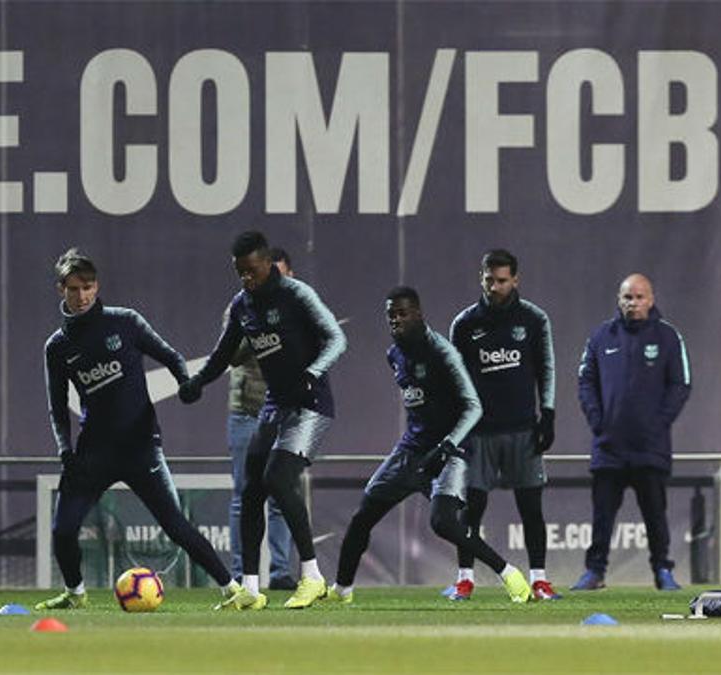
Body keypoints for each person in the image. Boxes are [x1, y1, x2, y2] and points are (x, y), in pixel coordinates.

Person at [37, 249, 241, 611]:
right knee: (63, 530)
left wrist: (185, 383)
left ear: (97, 286)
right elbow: (56, 405)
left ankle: (233, 590)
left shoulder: (125, 322)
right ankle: (75, 594)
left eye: (87, 287)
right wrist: (64, 449)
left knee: (176, 526)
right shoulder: (57, 346)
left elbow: (172, 356)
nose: (81, 295)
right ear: (60, 290)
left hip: (140, 446)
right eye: (73, 288)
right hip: (93, 452)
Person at [329, 287, 531, 605]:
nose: (395, 320)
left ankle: (510, 574)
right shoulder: (393, 355)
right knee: (362, 516)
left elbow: (474, 407)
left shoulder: (443, 353)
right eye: (390, 315)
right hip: (411, 451)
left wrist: (448, 446)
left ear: (419, 314)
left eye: (402, 313)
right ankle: (341, 591)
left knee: (443, 522)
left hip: (448, 452)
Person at [180, 231, 347, 610]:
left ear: (268, 264)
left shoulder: (297, 294)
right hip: (275, 404)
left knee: (278, 477)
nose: (246, 279)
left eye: (252, 271)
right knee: (252, 487)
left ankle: (312, 576)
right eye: (240, 273)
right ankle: (251, 590)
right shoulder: (242, 305)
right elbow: (223, 354)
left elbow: (337, 338)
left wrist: (312, 372)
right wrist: (198, 383)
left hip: (311, 403)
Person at [443, 249, 560, 601]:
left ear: (515, 280)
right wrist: (458, 428)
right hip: (480, 432)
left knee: (531, 507)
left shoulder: (534, 319)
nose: (495, 287)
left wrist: (548, 415)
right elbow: (454, 380)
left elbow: (547, 369)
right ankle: (465, 580)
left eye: (502, 280)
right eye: (489, 279)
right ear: (481, 277)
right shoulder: (464, 324)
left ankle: (539, 580)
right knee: (470, 508)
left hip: (522, 429)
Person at [572, 273, 691, 591]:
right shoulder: (601, 337)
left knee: (655, 515)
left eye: (639, 297)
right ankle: (594, 572)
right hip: (608, 446)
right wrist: (598, 420)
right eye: (627, 297)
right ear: (618, 300)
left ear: (651, 299)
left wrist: (657, 423)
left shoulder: (668, 337)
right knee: (602, 518)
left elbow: (681, 385)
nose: (633, 303)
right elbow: (585, 381)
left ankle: (662, 571)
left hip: (650, 447)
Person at [225, 247, 297, 590]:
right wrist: (259, 332)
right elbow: (231, 355)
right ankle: (241, 573)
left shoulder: (299, 308)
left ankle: (281, 572)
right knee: (244, 495)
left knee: (283, 493)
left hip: (286, 413)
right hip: (247, 412)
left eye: (278, 275)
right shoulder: (242, 306)